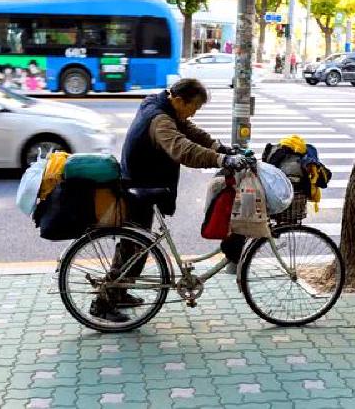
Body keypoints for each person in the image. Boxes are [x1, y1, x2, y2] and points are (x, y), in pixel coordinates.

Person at [91, 79, 250, 322]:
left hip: (139, 181)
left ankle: (119, 291)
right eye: (192, 107)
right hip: (140, 185)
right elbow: (182, 148)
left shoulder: (159, 104)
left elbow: (188, 130)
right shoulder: (161, 120)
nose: (192, 113)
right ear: (177, 100)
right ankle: (103, 301)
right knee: (134, 247)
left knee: (134, 245)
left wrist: (220, 148)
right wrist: (220, 160)